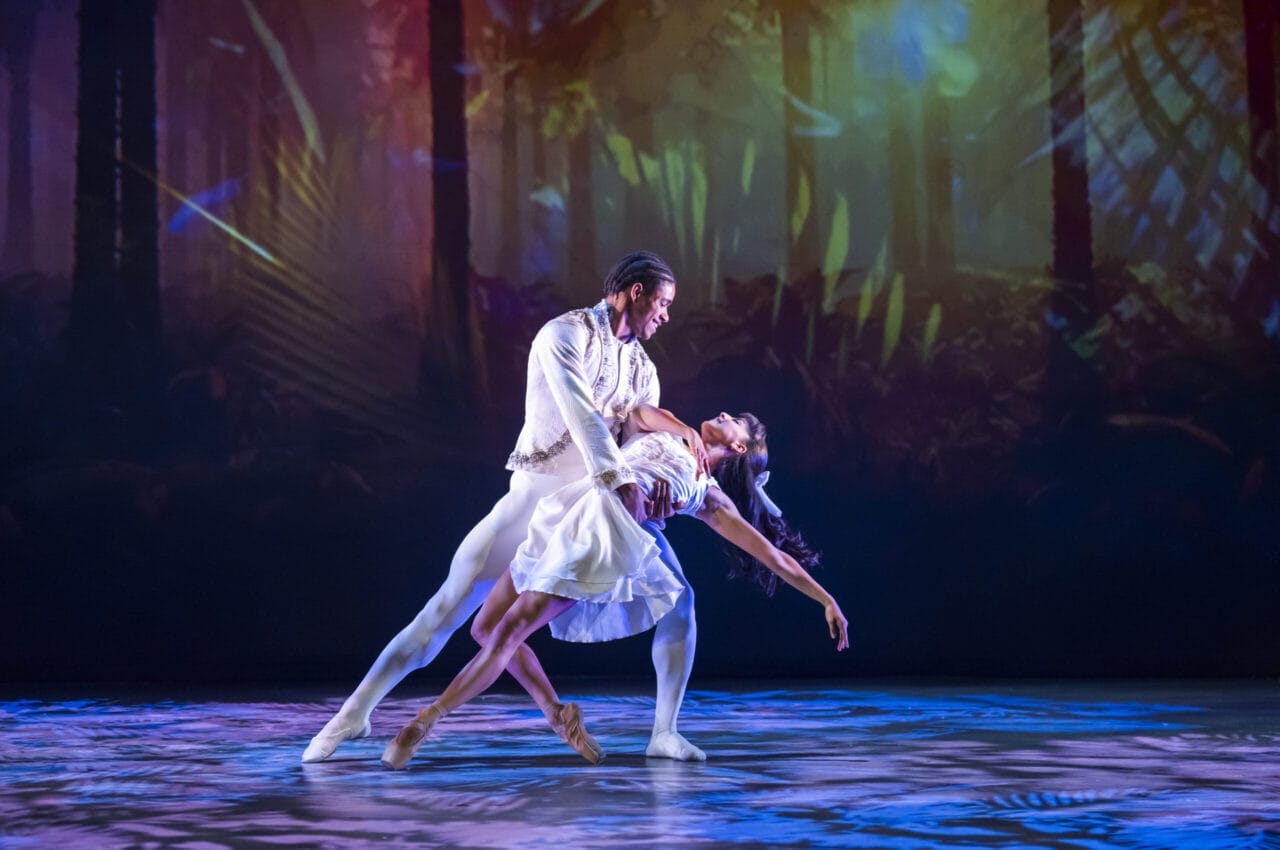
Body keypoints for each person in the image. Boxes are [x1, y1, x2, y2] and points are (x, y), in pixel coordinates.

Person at [303, 251, 710, 764]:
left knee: (681, 600)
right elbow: (581, 412)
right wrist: (619, 477)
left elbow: (637, 428)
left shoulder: (643, 370)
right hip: (533, 505)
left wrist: (670, 448)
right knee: (444, 616)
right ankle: (355, 714)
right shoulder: (564, 335)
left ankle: (664, 732)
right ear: (635, 291)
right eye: (663, 303)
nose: (665, 315)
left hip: (590, 513)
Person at [380, 407, 850, 770]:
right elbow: (641, 411)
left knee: (508, 634)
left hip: (601, 538)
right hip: (567, 513)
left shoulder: (709, 494)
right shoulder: (667, 429)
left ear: (742, 449)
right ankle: (558, 713)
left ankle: (424, 723)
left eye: (737, 423)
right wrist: (683, 431)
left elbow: (773, 556)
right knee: (485, 629)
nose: (724, 415)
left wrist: (825, 598)